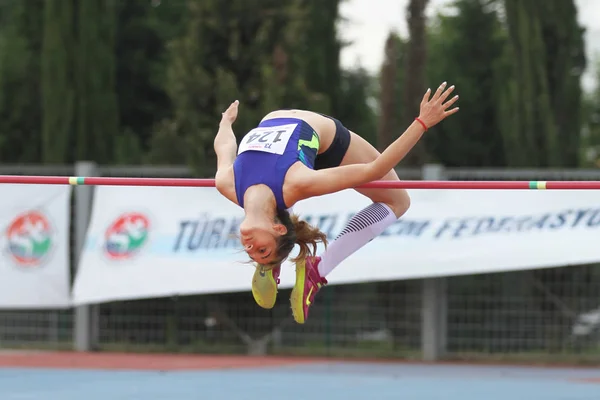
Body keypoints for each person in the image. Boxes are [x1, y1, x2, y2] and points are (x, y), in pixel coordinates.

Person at [214, 82, 459, 324]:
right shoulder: (296, 182)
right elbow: (375, 169)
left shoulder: (227, 183)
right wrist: (421, 123)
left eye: (253, 252)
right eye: (261, 250)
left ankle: (272, 263)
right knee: (399, 202)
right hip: (327, 143)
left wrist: (226, 123)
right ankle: (317, 269)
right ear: (278, 228)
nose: (248, 247)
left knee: (271, 201)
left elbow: (225, 146)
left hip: (290, 139)